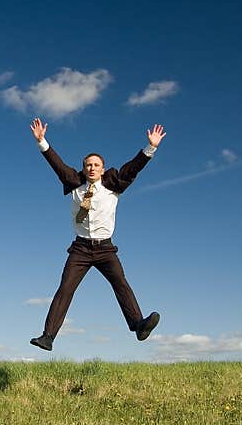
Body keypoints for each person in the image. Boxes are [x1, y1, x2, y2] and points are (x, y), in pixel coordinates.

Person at [29, 116, 166, 351]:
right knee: (65, 289)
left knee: (120, 283)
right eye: (88, 165)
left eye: (96, 165)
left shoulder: (113, 185)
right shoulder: (74, 184)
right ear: (84, 168)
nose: (92, 168)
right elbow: (57, 165)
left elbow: (132, 169)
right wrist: (42, 142)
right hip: (80, 249)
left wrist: (150, 148)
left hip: (105, 248)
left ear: (102, 169)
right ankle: (48, 337)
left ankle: (139, 325)